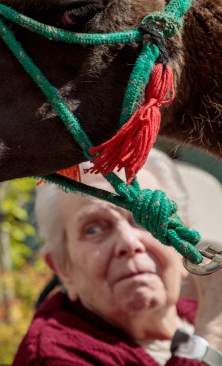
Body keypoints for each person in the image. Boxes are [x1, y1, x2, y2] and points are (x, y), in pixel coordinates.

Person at [13, 148, 222, 365]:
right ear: (62, 268)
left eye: (147, 220)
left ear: (183, 243)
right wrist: (212, 334)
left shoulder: (196, 312)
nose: (129, 242)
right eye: (93, 229)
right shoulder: (54, 353)